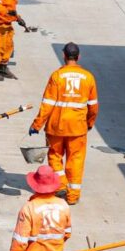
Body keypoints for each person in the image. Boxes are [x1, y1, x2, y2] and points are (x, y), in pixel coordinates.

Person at [28, 43, 98, 205]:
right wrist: (90, 122)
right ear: (78, 57)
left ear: (64, 56)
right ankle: (73, 196)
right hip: (77, 128)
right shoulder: (88, 77)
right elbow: (93, 105)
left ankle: (61, 185)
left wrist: (37, 124)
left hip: (56, 126)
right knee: (76, 160)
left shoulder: (57, 76)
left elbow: (47, 104)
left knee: (55, 156)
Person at [5, 165, 72, 251]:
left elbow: (20, 242)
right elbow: (67, 234)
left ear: (34, 185)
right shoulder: (63, 206)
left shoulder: (29, 208)